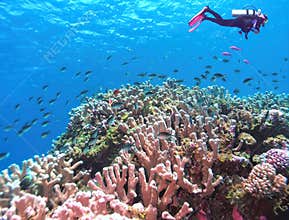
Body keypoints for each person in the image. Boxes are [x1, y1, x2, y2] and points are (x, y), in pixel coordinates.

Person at [188, 6, 268, 39]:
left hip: (239, 22)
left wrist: (250, 30)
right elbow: (257, 31)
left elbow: (252, 29)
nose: (264, 22)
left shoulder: (257, 20)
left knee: (222, 22)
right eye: (265, 20)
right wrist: (255, 30)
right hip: (241, 21)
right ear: (264, 18)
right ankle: (207, 10)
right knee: (222, 22)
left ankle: (206, 17)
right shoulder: (258, 20)